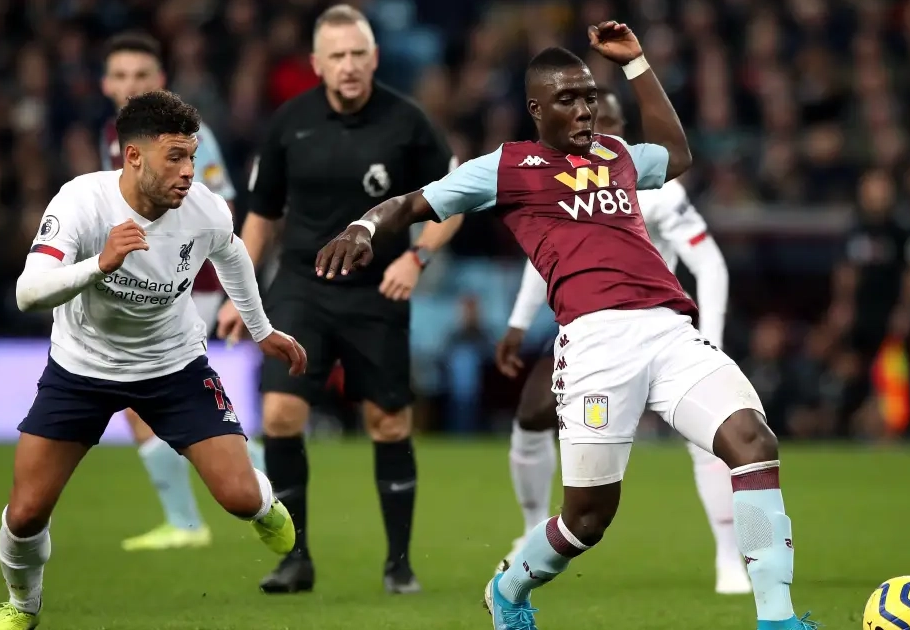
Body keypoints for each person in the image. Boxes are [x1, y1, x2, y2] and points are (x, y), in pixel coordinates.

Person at [317, 22, 817, 630]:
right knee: (587, 519)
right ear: (536, 109)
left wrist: (636, 64)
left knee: (754, 444)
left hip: (670, 330)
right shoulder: (508, 166)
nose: (584, 110)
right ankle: (509, 588)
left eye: (588, 97)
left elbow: (678, 154)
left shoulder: (617, 156)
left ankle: (776, 618)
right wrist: (364, 227)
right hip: (595, 347)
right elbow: (415, 202)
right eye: (567, 100)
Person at [0, 90, 304, 630]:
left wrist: (261, 328)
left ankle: (265, 507)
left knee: (241, 497)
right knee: (27, 511)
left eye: (191, 156)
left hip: (174, 366)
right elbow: (27, 293)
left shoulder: (204, 208)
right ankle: (22, 607)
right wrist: (99, 264)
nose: (188, 170)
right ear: (133, 156)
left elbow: (232, 252)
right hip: (82, 369)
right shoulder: (82, 202)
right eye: (175, 157)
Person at [215, 4, 462, 595]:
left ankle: (398, 565)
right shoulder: (289, 122)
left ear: (374, 58)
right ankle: (295, 558)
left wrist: (416, 257)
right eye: (337, 56)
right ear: (317, 63)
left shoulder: (408, 122)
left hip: (376, 290)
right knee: (280, 414)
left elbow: (454, 200)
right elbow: (261, 215)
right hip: (301, 286)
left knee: (388, 422)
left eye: (358, 54)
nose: (348, 65)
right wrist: (236, 294)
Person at [494, 86, 748, 595]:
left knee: (716, 438)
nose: (594, 128)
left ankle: (729, 558)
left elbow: (710, 264)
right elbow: (542, 259)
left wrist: (711, 340)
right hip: (593, 337)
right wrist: (519, 324)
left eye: (607, 121)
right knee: (532, 414)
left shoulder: (656, 188)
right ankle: (531, 528)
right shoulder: (559, 181)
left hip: (662, 333)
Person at [98, 31, 263, 552]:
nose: (130, 85)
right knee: (150, 401)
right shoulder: (114, 134)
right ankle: (232, 499)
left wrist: (229, 288)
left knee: (149, 397)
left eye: (141, 75)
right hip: (143, 283)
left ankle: (205, 515)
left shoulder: (189, 133)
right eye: (120, 75)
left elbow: (223, 204)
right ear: (105, 83)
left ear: (160, 80)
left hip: (191, 283)